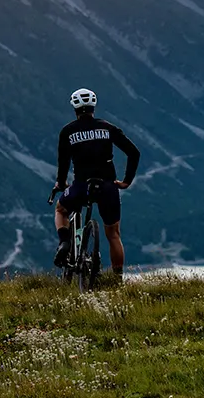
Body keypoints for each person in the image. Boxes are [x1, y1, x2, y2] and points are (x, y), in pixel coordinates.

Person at [52, 87, 141, 279]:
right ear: (93, 106)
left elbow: (63, 162)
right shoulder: (107, 127)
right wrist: (126, 181)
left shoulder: (67, 132)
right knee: (114, 235)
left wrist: (60, 183)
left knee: (61, 210)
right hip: (108, 186)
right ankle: (117, 280)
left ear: (74, 108)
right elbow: (134, 153)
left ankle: (65, 242)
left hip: (81, 186)